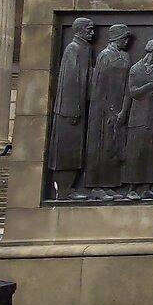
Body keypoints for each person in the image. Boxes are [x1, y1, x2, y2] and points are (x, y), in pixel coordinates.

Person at [84, 23, 132, 200]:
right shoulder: (104, 56)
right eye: (124, 38)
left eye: (128, 38)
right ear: (116, 38)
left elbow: (128, 84)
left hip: (120, 107)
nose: (127, 41)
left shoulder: (126, 57)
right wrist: (109, 110)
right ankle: (96, 186)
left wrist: (123, 109)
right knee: (100, 147)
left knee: (114, 147)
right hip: (102, 110)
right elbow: (98, 88)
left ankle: (110, 184)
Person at [48, 17, 94, 200]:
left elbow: (87, 77)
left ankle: (69, 188)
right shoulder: (72, 49)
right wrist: (73, 108)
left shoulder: (85, 49)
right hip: (69, 111)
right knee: (66, 151)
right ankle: (64, 190)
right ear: (79, 30)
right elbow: (69, 81)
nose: (93, 32)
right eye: (89, 29)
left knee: (75, 151)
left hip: (79, 108)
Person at [122, 38, 153, 200]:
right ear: (152, 50)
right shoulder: (135, 69)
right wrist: (149, 87)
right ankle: (131, 188)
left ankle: (146, 188)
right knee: (136, 152)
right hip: (139, 116)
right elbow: (133, 92)